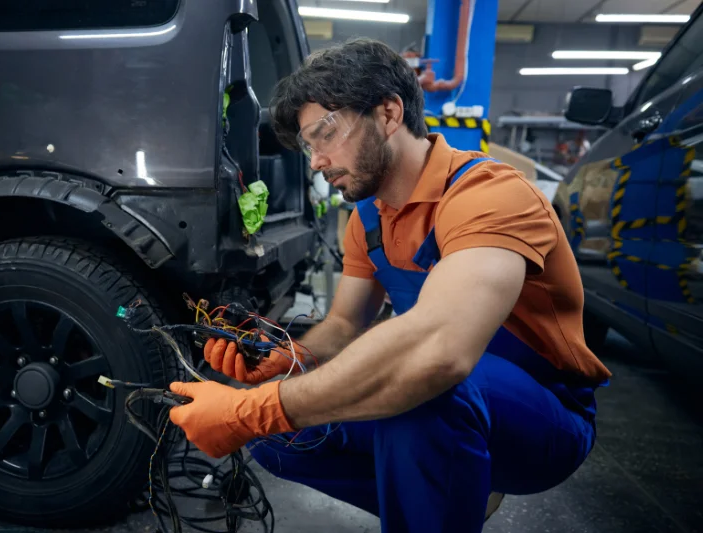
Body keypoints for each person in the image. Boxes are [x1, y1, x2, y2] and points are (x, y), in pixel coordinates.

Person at [168, 38, 611, 532]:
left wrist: (257, 409)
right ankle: (457, 489)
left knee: (423, 388)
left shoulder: (492, 195)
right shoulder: (369, 219)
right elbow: (342, 324)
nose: (316, 161)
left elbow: (441, 350)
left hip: (544, 418)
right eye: (309, 147)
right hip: (457, 398)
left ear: (389, 112)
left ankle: (444, 492)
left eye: (326, 134)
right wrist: (290, 357)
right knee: (281, 440)